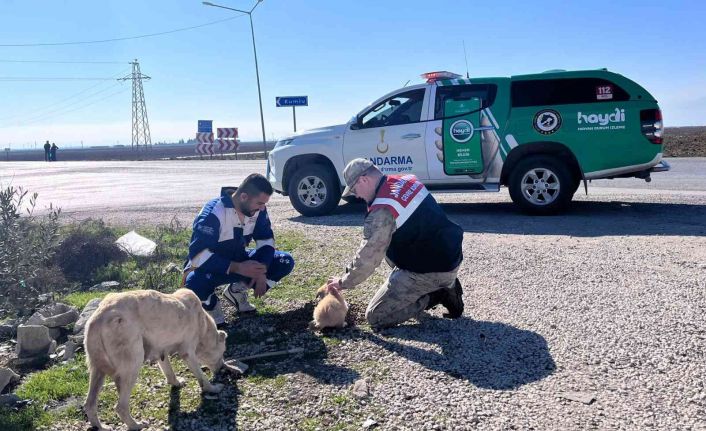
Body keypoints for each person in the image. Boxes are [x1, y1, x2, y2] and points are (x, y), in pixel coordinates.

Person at [327, 159, 464, 330]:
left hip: (433, 270)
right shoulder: (405, 180)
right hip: (450, 254)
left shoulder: (383, 209)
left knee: (376, 316)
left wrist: (343, 282)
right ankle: (442, 282)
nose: (357, 196)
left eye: (355, 190)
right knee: (390, 245)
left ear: (364, 180)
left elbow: (369, 257)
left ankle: (437, 293)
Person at [183, 173, 295, 326]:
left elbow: (266, 241)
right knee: (193, 282)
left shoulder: (257, 210)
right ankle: (211, 305)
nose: (263, 208)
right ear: (243, 197)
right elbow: (197, 256)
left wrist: (262, 270)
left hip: (240, 259)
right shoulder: (213, 213)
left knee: (285, 261)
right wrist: (238, 267)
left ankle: (236, 291)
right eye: (260, 203)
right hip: (214, 267)